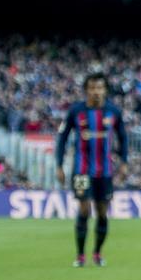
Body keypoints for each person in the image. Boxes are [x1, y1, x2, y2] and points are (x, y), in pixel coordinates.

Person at [55, 72, 128, 268]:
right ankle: (80, 255)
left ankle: (97, 253)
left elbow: (123, 137)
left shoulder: (113, 112)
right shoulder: (75, 111)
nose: (96, 91)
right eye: (92, 88)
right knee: (84, 209)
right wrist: (59, 165)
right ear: (87, 90)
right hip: (81, 171)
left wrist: (124, 162)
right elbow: (62, 138)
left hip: (105, 172)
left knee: (103, 212)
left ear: (105, 90)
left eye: (100, 88)